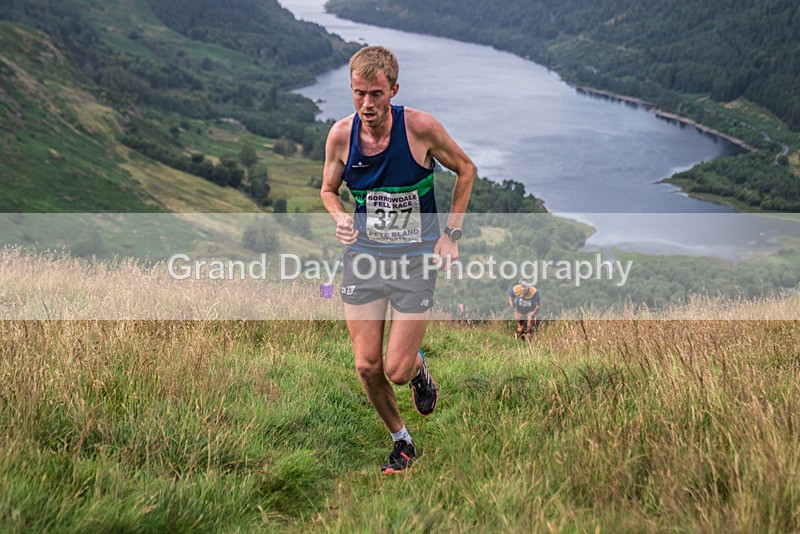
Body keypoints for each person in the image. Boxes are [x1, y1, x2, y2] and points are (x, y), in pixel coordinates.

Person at [320, 46, 476, 474]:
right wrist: (339, 218)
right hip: (364, 257)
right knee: (368, 366)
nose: (367, 104)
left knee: (398, 369)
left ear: (393, 89)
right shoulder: (340, 136)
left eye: (375, 93)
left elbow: (466, 168)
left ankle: (419, 369)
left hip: (414, 262)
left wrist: (452, 234)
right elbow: (328, 191)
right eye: (358, 94)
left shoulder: (420, 129)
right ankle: (401, 441)